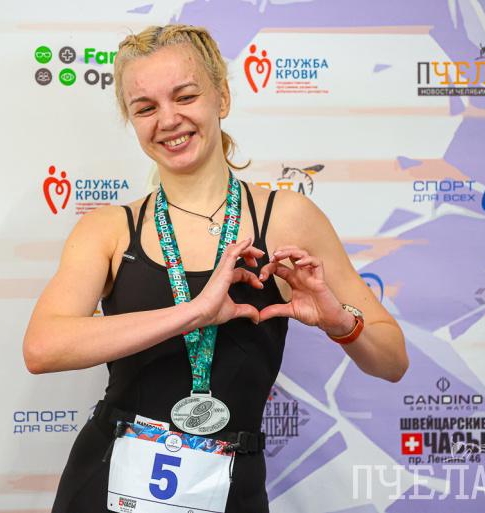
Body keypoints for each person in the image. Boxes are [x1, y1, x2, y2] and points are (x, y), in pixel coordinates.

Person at [23, 24, 408, 513]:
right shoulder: (110, 228)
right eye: (145, 108)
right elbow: (42, 347)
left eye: (185, 96)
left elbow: (392, 361)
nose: (168, 120)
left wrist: (340, 323)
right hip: (107, 484)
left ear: (221, 97)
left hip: (232, 488)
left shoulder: (286, 218)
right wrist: (194, 312)